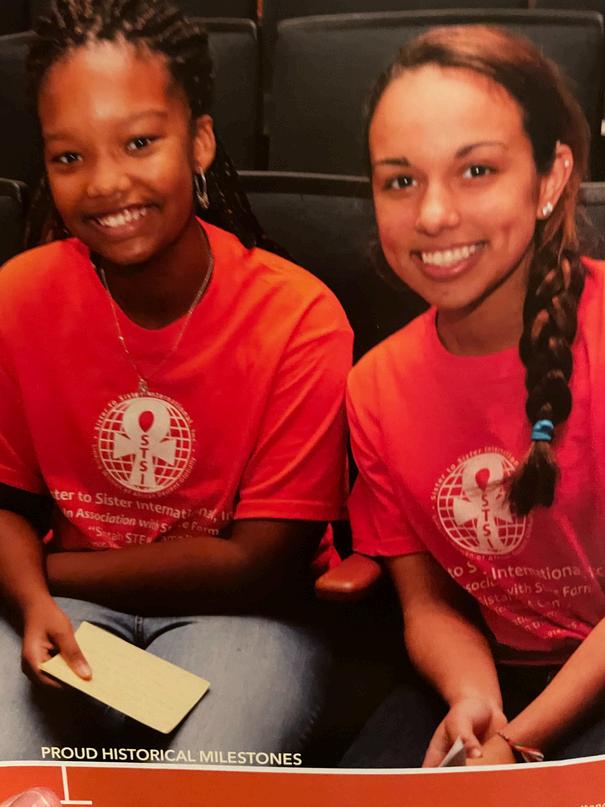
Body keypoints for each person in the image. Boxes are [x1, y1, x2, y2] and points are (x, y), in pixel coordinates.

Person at [0, 0, 352, 760]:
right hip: (62, 608)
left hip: (248, 623)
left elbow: (254, 566)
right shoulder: (17, 296)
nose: (105, 183)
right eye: (69, 157)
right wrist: (30, 595)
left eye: (138, 142)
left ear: (199, 141)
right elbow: (6, 504)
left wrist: (38, 569)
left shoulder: (300, 316)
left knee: (203, 777)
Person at [340, 24, 605, 768]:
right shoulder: (375, 385)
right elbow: (428, 602)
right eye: (400, 181)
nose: (432, 215)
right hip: (494, 673)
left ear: (550, 177)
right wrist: (475, 705)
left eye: (476, 170)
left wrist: (516, 744)